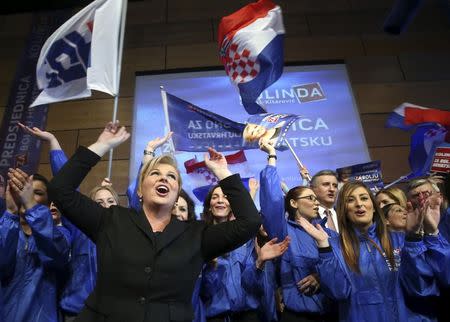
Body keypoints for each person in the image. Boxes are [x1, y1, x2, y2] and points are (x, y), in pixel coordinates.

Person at [48, 121, 261, 322]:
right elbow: (60, 189)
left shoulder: (197, 235)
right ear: (140, 190)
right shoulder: (111, 220)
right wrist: (102, 145)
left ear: (177, 193)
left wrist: (222, 172)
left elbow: (249, 222)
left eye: (171, 177)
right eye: (155, 173)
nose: (164, 178)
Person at [299, 180, 442, 322]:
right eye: (350, 200)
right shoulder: (334, 247)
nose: (359, 204)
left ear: (373, 207)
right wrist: (324, 247)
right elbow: (338, 292)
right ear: (343, 209)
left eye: (364, 198)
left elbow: (420, 287)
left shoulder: (399, 239)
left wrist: (413, 238)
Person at [19, 122, 98, 321]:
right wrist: (53, 142)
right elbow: (68, 187)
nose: (103, 205)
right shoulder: (80, 230)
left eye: (110, 202)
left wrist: (147, 153)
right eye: (98, 201)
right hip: (73, 312)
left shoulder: (121, 231)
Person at [259, 140, 336, 322]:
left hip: (333, 313)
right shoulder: (283, 230)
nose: (316, 202)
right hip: (298, 316)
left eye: (316, 198)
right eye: (310, 198)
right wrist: (272, 155)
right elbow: (271, 198)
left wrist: (321, 276)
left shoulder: (328, 233)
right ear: (293, 203)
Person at [200, 182, 288, 322]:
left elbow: (250, 284)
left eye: (225, 197)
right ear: (209, 206)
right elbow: (200, 289)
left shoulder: (245, 240)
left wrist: (259, 262)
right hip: (215, 316)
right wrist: (210, 265)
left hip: (246, 315)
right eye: (215, 197)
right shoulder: (200, 237)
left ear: (231, 205)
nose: (220, 200)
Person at [3, 168, 71, 322]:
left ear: (49, 203)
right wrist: (10, 212)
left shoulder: (62, 234)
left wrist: (31, 206)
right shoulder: (4, 226)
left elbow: (57, 255)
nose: (25, 195)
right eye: (23, 190)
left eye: (37, 193)